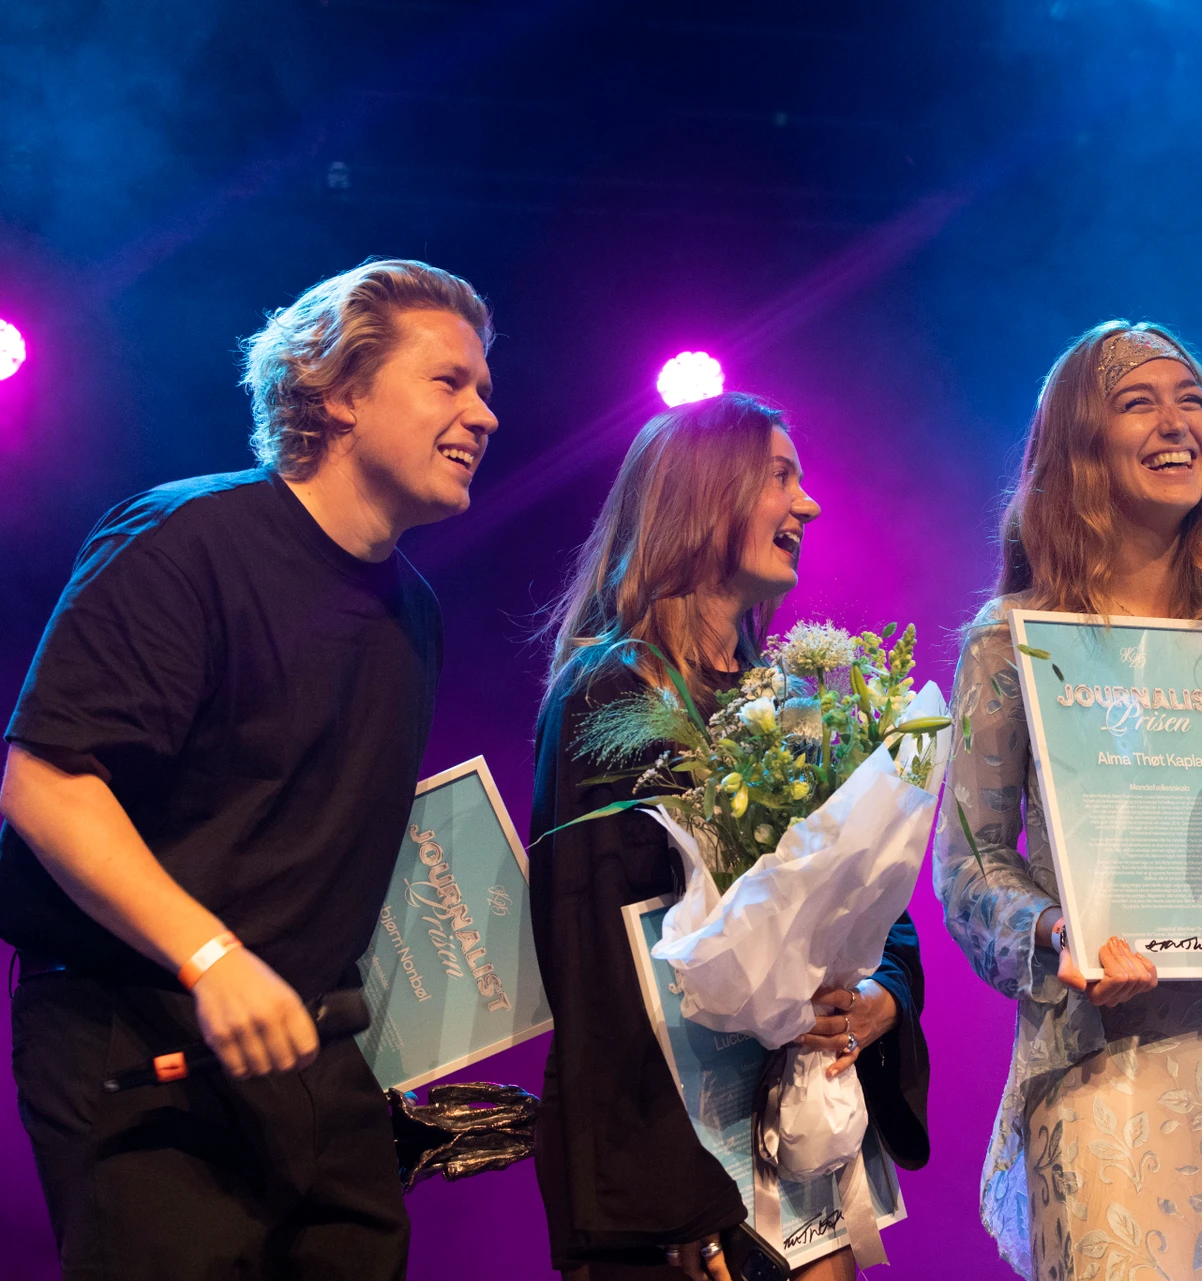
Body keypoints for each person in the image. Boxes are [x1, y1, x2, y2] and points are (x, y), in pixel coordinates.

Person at [0, 258, 498, 1277]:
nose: (485, 415)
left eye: (485, 389)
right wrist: (212, 959)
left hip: (311, 1056)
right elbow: (43, 784)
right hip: (142, 1038)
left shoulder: (415, 612)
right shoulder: (186, 541)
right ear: (341, 391)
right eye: (449, 381)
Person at [933, 322, 1202, 1281]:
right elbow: (969, 865)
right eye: (1138, 403)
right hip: (1102, 1066)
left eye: (1191, 400)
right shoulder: (1012, 640)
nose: (1176, 424)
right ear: (1079, 443)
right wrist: (1057, 934)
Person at [529, 391, 931, 1281]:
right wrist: (687, 1207)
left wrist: (884, 995)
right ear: (703, 496)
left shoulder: (792, 702)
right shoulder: (610, 693)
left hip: (798, 1137)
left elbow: (872, 898)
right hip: (677, 1180)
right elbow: (598, 963)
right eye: (781, 477)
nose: (808, 505)